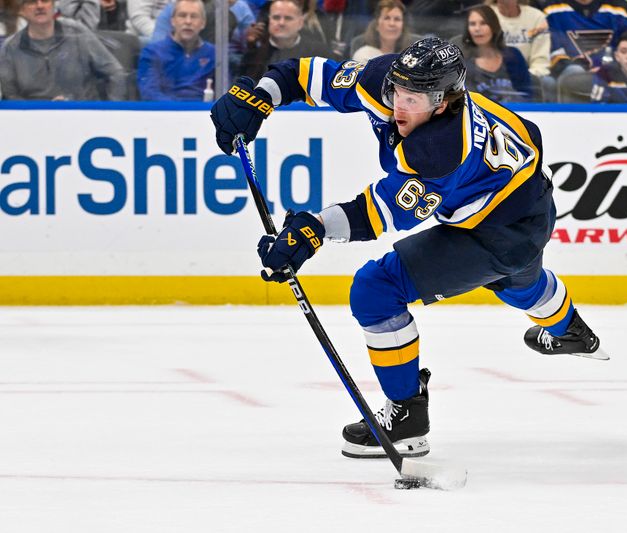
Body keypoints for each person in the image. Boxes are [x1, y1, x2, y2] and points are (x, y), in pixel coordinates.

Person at [209, 37, 606, 458]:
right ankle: (571, 332)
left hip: (502, 230)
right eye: (398, 91)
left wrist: (313, 230)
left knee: (377, 290)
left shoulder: (441, 149)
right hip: (525, 201)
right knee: (518, 282)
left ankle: (406, 419)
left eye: (413, 99)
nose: (399, 106)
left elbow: (378, 213)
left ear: (445, 101)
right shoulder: (385, 80)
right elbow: (305, 74)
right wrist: (261, 96)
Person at [0, 0, 125, 100]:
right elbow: (11, 95)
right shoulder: (10, 48)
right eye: (32, 2)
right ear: (22, 11)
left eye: (45, 1)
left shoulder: (78, 33)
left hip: (83, 115)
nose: (40, 6)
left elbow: (115, 73)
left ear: (54, 6)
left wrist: (111, 111)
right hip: (36, 122)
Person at [542, 0, 627, 101]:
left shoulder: (620, 8)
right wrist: (578, 65)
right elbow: (553, 51)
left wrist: (604, 67)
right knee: (573, 73)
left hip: (612, 72)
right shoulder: (551, 9)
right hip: (569, 72)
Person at [136, 0, 214, 100]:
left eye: (194, 16)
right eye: (182, 15)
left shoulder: (214, 54)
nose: (188, 21)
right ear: (172, 21)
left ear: (203, 23)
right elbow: (149, 93)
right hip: (164, 113)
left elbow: (225, 92)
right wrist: (179, 111)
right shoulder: (152, 52)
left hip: (204, 113)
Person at [459, 5, 537, 102]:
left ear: (494, 26)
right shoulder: (464, 63)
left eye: (483, 23)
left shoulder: (513, 56)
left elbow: (527, 96)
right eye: (472, 24)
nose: (477, 29)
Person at [239, 0, 328, 79]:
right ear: (269, 21)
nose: (281, 23)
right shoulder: (252, 57)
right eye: (276, 18)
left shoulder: (319, 55)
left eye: (288, 18)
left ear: (300, 23)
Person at [486, 0, 555, 100]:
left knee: (548, 82)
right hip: (495, 75)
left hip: (529, 75)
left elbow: (540, 60)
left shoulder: (537, 17)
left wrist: (526, 77)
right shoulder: (485, 16)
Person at [351, 0, 415, 63]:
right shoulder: (363, 55)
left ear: (403, 26)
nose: (392, 23)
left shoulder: (411, 56)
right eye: (387, 18)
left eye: (397, 19)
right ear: (377, 25)